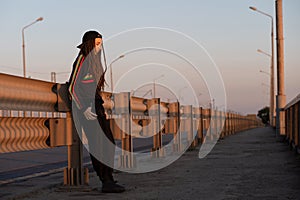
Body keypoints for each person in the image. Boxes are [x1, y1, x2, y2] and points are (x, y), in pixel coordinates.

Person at [68, 30, 125, 193]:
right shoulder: (82, 59)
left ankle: (110, 178)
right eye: (97, 43)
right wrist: (83, 108)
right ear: (89, 43)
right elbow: (72, 87)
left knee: (109, 142)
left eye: (101, 43)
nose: (100, 47)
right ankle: (105, 181)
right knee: (97, 145)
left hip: (97, 106)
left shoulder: (95, 61)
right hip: (86, 107)